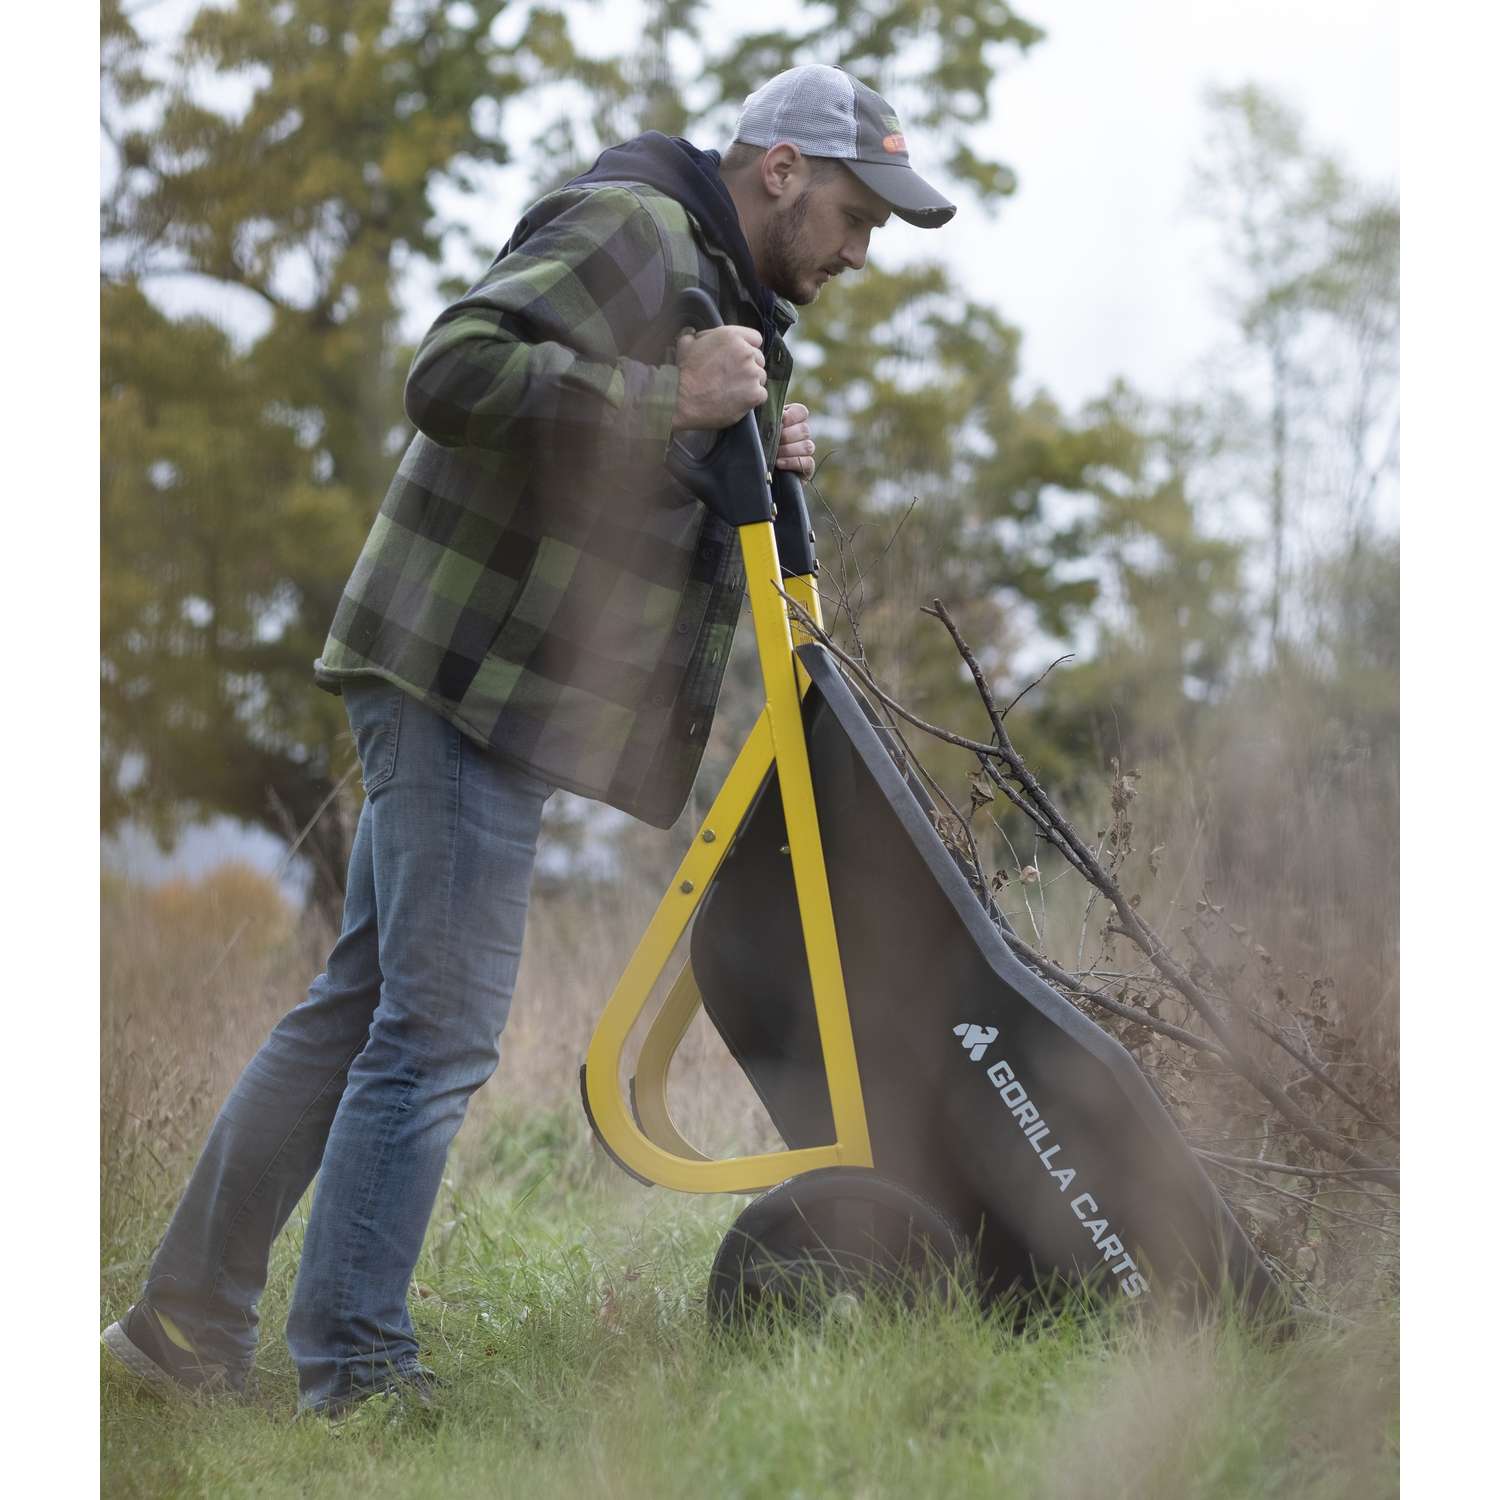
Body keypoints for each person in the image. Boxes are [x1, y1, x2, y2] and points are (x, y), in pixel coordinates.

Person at [103, 63, 955, 1417]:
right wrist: (667, 403)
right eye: (856, 217)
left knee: (358, 1012)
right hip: (454, 673)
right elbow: (453, 371)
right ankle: (358, 1373)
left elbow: (606, 489)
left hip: (484, 685)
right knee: (433, 1034)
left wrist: (742, 454)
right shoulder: (633, 229)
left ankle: (179, 1331)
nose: (860, 252)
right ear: (782, 170)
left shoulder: (724, 296)